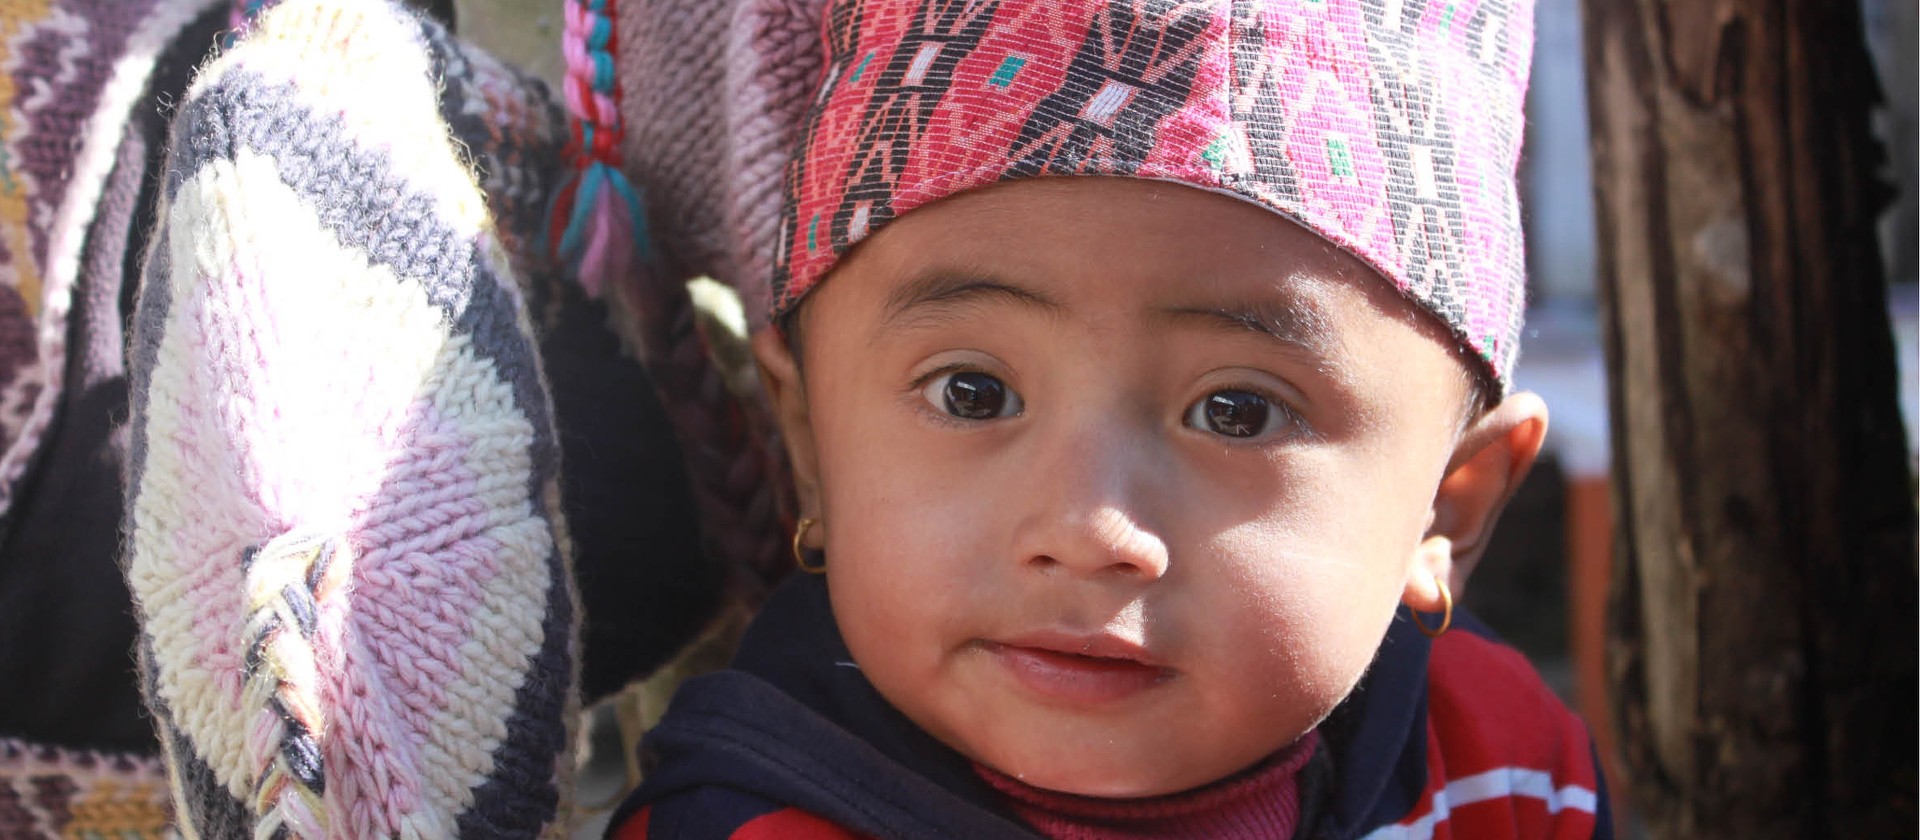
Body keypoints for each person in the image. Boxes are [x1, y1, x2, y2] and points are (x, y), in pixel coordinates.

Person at [605, 1, 1611, 837]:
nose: (1088, 528)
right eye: (974, 393)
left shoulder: (1501, 768)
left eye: (1235, 410)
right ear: (814, 444)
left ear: (1447, 506)